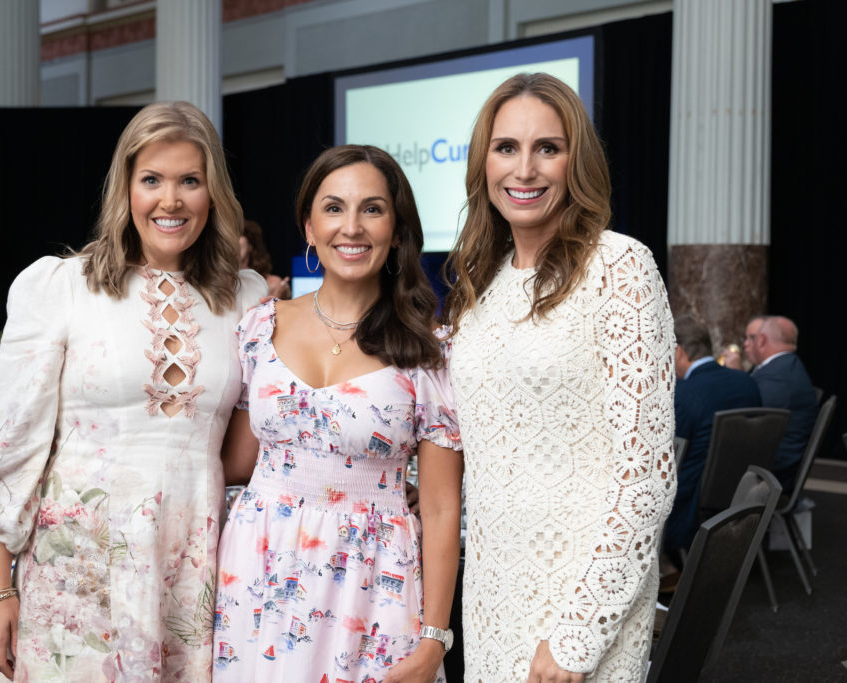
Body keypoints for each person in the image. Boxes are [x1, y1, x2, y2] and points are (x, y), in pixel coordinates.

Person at [0, 101, 267, 681]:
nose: (169, 200)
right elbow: (14, 449)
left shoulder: (246, 298)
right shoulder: (60, 287)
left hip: (189, 574)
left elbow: (248, 451)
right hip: (76, 574)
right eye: (151, 179)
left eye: (189, 181)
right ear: (125, 189)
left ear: (213, 194)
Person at [444, 73, 676, 682]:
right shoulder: (478, 287)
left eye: (547, 147)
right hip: (493, 598)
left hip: (581, 609)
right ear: (483, 162)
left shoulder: (618, 266)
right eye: (506, 148)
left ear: (577, 160)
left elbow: (647, 475)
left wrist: (576, 636)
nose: (525, 169)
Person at [215, 145, 463, 682]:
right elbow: (235, 463)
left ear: (397, 231)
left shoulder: (431, 350)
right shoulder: (259, 327)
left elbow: (443, 510)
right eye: (333, 208)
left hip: (372, 586)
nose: (351, 227)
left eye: (372, 209)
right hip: (257, 574)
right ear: (308, 227)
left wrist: (434, 642)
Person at [664, 314, 760, 560]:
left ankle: (662, 570)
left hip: (690, 505)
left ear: (678, 351)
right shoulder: (746, 383)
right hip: (742, 494)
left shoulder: (683, 394)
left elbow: (668, 455)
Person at [739, 315, 819, 486]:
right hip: (779, 462)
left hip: (769, 474)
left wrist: (733, 379)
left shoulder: (776, 379)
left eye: (752, 338)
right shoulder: (786, 366)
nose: (747, 344)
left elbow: (743, 420)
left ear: (761, 341)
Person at [240, 220, 291, 299]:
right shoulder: (219, 284)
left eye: (239, 234)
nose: (233, 240)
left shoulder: (272, 284)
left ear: (251, 245)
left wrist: (277, 300)